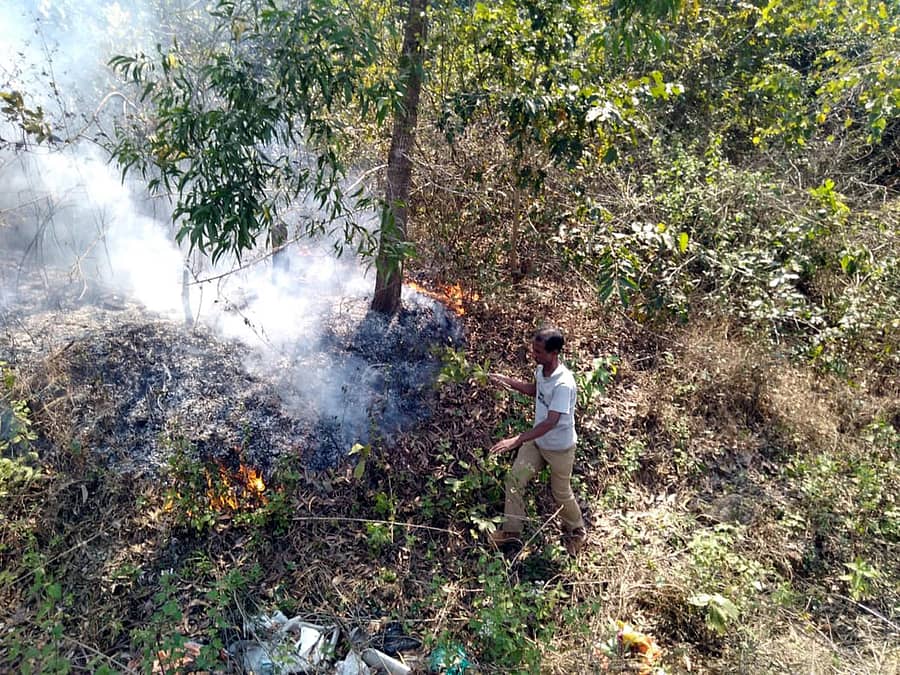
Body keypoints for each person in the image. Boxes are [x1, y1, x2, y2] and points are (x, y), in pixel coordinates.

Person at [488, 327, 587, 555]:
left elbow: (551, 421)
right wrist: (507, 381)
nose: (534, 355)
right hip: (538, 442)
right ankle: (512, 534)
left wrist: (516, 439)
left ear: (554, 353)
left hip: (560, 448)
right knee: (514, 479)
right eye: (534, 349)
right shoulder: (542, 370)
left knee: (560, 493)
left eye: (539, 352)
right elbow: (535, 390)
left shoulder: (563, 384)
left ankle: (577, 531)